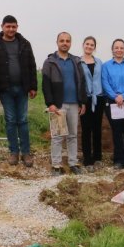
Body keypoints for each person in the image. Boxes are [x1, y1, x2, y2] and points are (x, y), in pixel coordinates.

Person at [0, 15, 38, 168]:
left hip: (22, 88)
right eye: (8, 26)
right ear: (2, 26)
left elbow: (32, 65)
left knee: (22, 120)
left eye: (13, 26)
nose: (11, 29)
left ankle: (26, 152)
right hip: (5, 89)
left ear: (17, 27)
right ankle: (13, 152)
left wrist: (33, 86)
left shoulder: (24, 44)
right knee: (10, 120)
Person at [42, 32, 87, 176]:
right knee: (57, 136)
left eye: (67, 41)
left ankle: (73, 162)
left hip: (74, 104)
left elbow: (82, 82)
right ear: (57, 42)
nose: (65, 43)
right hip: (58, 105)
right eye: (62, 41)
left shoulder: (76, 61)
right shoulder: (50, 62)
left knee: (73, 135)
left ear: (71, 43)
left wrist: (82, 102)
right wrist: (50, 103)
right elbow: (45, 84)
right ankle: (56, 165)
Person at [102, 38, 124, 172]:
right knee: (116, 131)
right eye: (116, 47)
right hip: (112, 102)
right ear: (112, 49)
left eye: (121, 48)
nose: (119, 50)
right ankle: (118, 159)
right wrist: (115, 97)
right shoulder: (106, 66)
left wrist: (123, 96)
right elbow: (105, 84)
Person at [79, 36, 105, 171]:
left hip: (99, 99)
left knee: (97, 129)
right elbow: (77, 82)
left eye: (92, 45)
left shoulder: (99, 62)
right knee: (86, 130)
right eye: (87, 44)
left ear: (95, 47)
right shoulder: (78, 62)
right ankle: (87, 159)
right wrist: (80, 101)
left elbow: (102, 79)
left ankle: (97, 157)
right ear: (83, 45)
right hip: (85, 99)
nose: (89, 46)